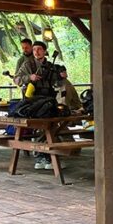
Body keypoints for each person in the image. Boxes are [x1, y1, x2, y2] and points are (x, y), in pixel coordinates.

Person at [16, 41, 70, 169]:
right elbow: (17, 79)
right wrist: (29, 77)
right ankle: (41, 156)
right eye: (34, 49)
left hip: (49, 100)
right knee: (40, 127)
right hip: (33, 101)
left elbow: (58, 84)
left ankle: (46, 156)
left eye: (39, 49)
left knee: (52, 126)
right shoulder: (28, 64)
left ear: (45, 51)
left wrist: (62, 76)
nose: (36, 52)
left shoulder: (51, 66)